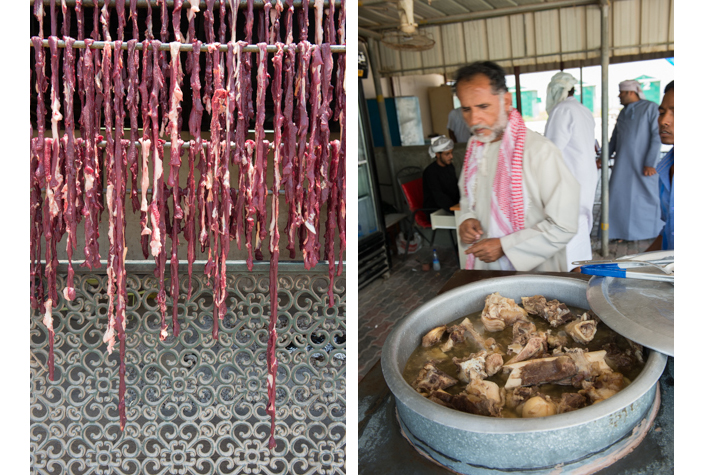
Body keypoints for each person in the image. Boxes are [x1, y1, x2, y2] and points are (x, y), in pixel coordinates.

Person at [455, 61, 580, 272]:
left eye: (483, 106)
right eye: (466, 109)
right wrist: (467, 219)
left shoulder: (539, 151)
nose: (474, 118)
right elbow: (468, 198)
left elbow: (564, 225)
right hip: (486, 269)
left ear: (506, 101)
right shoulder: (475, 149)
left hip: (535, 273)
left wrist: (506, 246)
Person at [544, 72, 597, 271]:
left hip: (570, 177)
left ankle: (569, 272)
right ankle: (580, 267)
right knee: (580, 224)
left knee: (567, 225)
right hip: (586, 175)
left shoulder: (562, 109)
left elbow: (552, 149)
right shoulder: (583, 109)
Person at [607, 79, 663, 241]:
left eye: (622, 92)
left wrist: (650, 163)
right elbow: (614, 139)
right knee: (620, 198)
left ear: (632, 92)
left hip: (643, 165)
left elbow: (656, 135)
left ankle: (649, 232)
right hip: (623, 165)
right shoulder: (624, 112)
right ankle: (622, 233)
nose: (619, 96)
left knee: (645, 198)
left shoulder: (651, 108)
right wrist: (604, 157)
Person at [646, 80, 674, 251]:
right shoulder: (667, 167)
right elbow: (670, 231)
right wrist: (629, 264)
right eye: (662, 112)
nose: (664, 120)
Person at [422, 136, 460, 217]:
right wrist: (456, 210)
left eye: (451, 153)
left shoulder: (450, 166)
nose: (451, 156)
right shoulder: (430, 172)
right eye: (447, 154)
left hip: (450, 206)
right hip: (435, 210)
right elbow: (439, 197)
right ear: (437, 155)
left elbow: (455, 187)